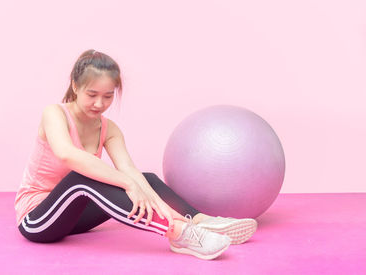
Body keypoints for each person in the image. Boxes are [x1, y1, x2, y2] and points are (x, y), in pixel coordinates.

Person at [14, 49, 257, 260]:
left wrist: (136, 184)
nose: (99, 103)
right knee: (83, 178)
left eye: (108, 96)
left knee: (146, 178)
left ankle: (199, 222)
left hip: (75, 217)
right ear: (75, 86)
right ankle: (179, 233)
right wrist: (128, 183)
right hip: (38, 219)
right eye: (92, 94)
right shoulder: (54, 113)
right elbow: (67, 154)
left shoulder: (109, 129)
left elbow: (129, 170)